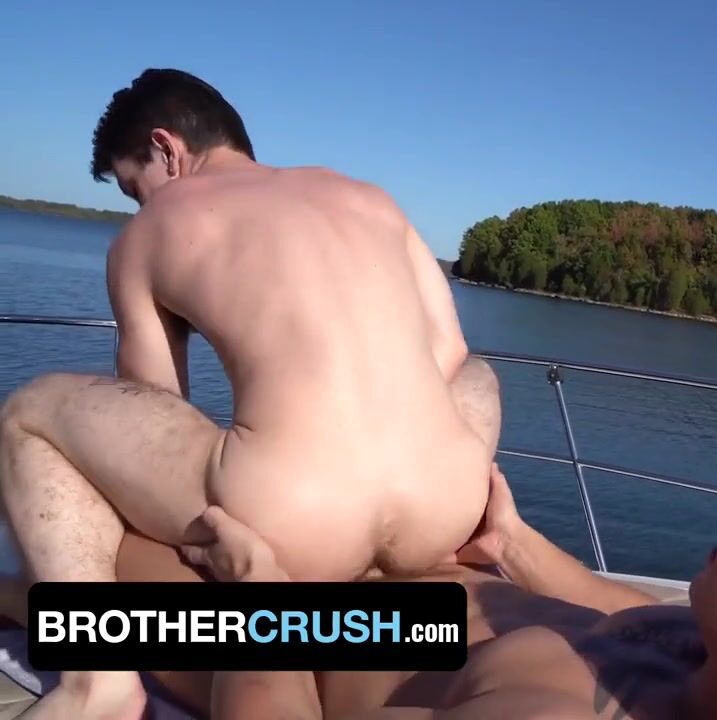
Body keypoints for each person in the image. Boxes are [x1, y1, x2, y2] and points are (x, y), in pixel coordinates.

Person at [0, 68, 499, 719]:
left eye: (134, 188)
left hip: (295, 519)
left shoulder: (152, 231)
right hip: (445, 503)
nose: (140, 207)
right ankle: (440, 546)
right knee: (479, 373)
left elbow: (154, 401)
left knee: (30, 412)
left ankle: (99, 682)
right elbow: (450, 354)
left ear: (167, 149)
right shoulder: (371, 201)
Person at [3, 433, 717, 719]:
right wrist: (516, 545)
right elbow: (619, 606)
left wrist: (264, 603)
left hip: (295, 639)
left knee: (77, 566)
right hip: (395, 611)